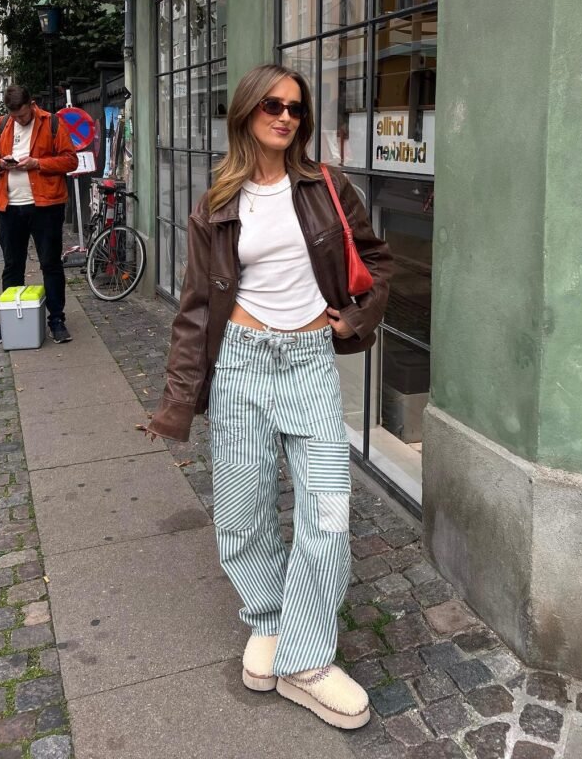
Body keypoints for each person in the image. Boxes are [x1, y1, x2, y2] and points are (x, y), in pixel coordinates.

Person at [145, 63, 392, 730]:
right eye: (272, 107)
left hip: (309, 363)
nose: (285, 117)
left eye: (296, 109)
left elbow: (380, 262)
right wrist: (176, 400)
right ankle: (268, 618)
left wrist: (355, 320)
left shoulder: (327, 187)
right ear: (247, 113)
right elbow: (197, 309)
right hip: (243, 367)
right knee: (242, 507)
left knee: (327, 510)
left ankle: (306, 659)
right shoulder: (216, 204)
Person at [0, 85, 77, 345]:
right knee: (12, 265)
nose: (20, 120)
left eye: (24, 115)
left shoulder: (52, 123)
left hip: (46, 207)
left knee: (50, 263)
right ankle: (9, 320)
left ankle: (57, 321)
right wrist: (1, 164)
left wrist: (38, 163)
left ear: (32, 104)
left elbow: (70, 160)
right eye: (16, 117)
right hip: (10, 207)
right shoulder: (0, 125)